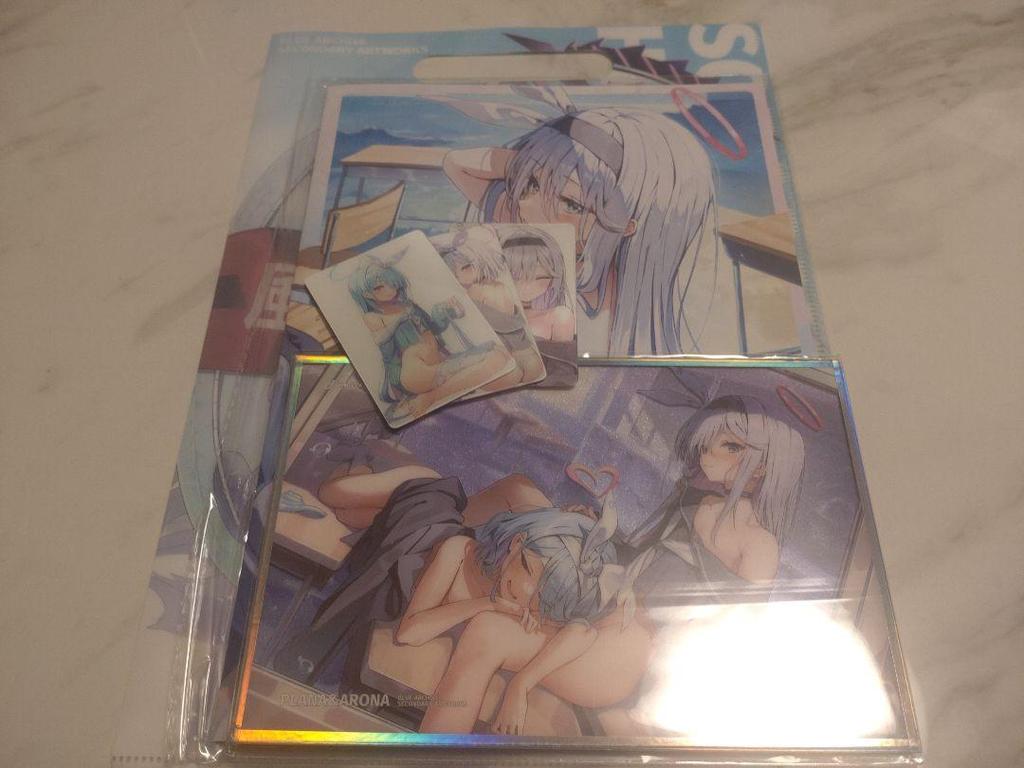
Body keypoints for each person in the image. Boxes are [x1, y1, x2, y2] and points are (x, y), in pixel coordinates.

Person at [274, 465, 652, 736]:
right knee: (343, 495)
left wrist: (522, 681)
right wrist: (484, 604)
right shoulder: (465, 550)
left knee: (366, 510)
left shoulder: (546, 599)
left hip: (450, 534)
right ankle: (359, 473)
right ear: (517, 544)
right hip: (428, 520)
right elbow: (411, 632)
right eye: (527, 571)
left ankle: (365, 488)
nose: (524, 594)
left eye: (540, 595)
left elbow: (583, 631)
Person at [440, 87, 720, 356]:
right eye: (532, 185)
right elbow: (456, 163)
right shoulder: (531, 224)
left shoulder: (616, 298)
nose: (527, 208)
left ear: (626, 226)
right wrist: (539, 162)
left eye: (572, 204)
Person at [625, 393, 806, 605]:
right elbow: (640, 556)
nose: (708, 451)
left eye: (731, 446)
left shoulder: (761, 545)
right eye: (706, 442)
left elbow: (745, 617)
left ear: (760, 468)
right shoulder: (696, 502)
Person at [348, 258, 509, 418]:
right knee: (412, 353)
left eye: (391, 282)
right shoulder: (372, 316)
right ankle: (450, 375)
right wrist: (400, 319)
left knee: (499, 356)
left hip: (439, 361)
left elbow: (433, 328)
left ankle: (433, 395)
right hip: (410, 373)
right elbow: (380, 339)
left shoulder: (407, 304)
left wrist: (444, 311)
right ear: (366, 294)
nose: (390, 289)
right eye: (379, 288)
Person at [435, 228, 545, 390]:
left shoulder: (479, 291)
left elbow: (481, 321)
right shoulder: (494, 287)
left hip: (514, 353)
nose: (457, 276)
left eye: (465, 267)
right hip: (519, 352)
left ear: (479, 262)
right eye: (452, 271)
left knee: (517, 373)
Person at [497, 225, 575, 342]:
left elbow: (563, 353)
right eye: (515, 278)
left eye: (539, 278)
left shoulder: (559, 316)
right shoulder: (493, 316)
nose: (526, 286)